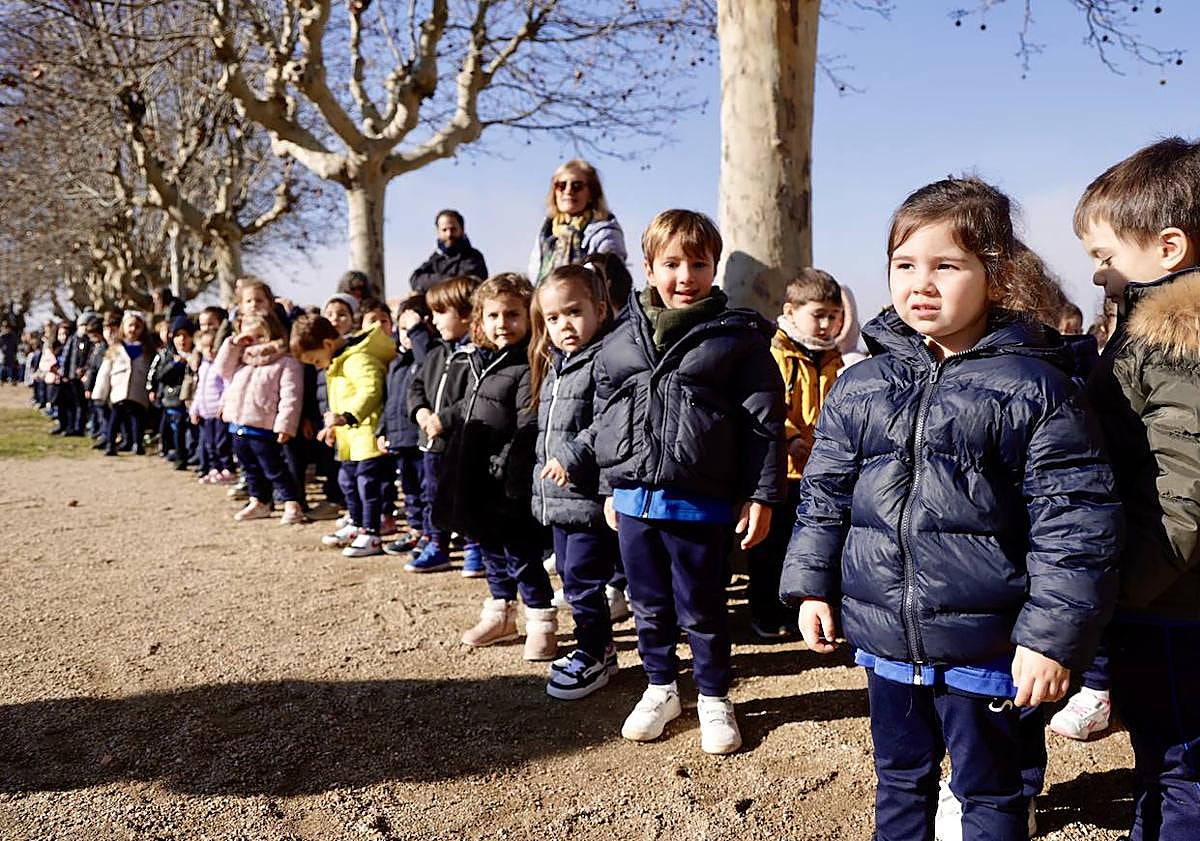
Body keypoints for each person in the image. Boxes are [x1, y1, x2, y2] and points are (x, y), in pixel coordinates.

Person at [781, 177, 1121, 841]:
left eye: (946, 265)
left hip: (988, 648)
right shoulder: (862, 384)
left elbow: (1074, 525)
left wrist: (1048, 638)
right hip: (885, 643)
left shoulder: (1036, 387)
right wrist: (810, 586)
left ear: (996, 277)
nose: (921, 283)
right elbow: (824, 495)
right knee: (900, 778)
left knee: (990, 792)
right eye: (905, 265)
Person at [593, 209, 786, 755]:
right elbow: (608, 412)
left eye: (697, 264)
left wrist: (763, 493)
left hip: (700, 500)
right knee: (647, 603)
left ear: (714, 268)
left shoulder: (736, 338)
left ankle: (713, 695)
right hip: (633, 497)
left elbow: (763, 420)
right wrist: (610, 484)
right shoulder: (622, 336)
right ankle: (660, 687)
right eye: (671, 263)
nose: (685, 276)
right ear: (649, 268)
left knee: (702, 605)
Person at [1072, 136, 1200, 841]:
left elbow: (1184, 497)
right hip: (1165, 593)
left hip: (1174, 602)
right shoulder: (1145, 332)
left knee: (1180, 759)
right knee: (1159, 753)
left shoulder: (1177, 341)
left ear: (1170, 246)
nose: (1098, 275)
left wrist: (1119, 591)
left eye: (1106, 256)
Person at [435, 273, 558, 661]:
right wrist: (444, 417)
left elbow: (527, 424)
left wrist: (511, 474)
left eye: (512, 314)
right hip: (477, 477)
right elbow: (475, 404)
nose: (502, 323)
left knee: (521, 555)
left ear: (529, 316)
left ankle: (541, 622)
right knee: (489, 548)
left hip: (508, 481)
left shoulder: (527, 364)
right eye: (493, 315)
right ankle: (501, 612)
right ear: (481, 320)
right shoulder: (482, 361)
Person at [529, 263, 619, 698]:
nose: (564, 324)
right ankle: (598, 647)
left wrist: (571, 455)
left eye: (573, 312)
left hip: (586, 495)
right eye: (553, 317)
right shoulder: (556, 364)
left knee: (582, 579)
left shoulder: (603, 360)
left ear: (599, 310)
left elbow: (606, 422)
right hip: (560, 496)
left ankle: (595, 652)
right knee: (570, 575)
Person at [747, 268, 843, 640]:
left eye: (833, 316)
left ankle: (805, 612)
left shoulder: (833, 358)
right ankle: (764, 613)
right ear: (791, 309)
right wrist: (789, 438)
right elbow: (765, 406)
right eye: (817, 314)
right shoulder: (775, 352)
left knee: (808, 548)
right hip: (779, 471)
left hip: (818, 473)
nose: (826, 324)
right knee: (769, 551)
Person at [292, 313, 397, 557]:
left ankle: (371, 531)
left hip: (367, 435)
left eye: (316, 360)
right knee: (347, 482)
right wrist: (333, 426)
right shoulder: (338, 363)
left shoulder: (357, 359)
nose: (318, 366)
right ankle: (357, 523)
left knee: (367, 485)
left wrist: (348, 416)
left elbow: (371, 390)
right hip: (349, 438)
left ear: (327, 345)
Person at [402, 275, 484, 574]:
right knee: (433, 494)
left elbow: (477, 397)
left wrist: (444, 419)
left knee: (466, 495)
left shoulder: (476, 356)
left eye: (439, 312)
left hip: (462, 444)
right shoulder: (436, 353)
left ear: (465, 314)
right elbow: (416, 387)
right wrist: (421, 412)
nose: (432, 320)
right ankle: (438, 544)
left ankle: (474, 546)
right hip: (431, 444)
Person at [214, 310, 305, 525]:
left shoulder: (285, 363)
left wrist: (286, 425)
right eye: (250, 337)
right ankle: (259, 500)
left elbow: (290, 396)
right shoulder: (242, 361)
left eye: (260, 337)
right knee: (249, 468)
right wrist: (234, 343)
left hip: (263, 426)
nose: (254, 343)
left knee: (274, 468)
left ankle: (292, 502)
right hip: (238, 425)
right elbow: (222, 369)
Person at [379, 294, 436, 553]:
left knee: (426, 490)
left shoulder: (427, 356)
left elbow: (428, 368)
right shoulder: (397, 364)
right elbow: (389, 401)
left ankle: (430, 532)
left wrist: (419, 334)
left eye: (412, 329)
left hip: (420, 437)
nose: (406, 336)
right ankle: (415, 529)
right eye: (402, 329)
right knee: (410, 490)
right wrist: (383, 430)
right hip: (400, 438)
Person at [528, 159, 627, 285]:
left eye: (576, 186)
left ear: (592, 193)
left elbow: (610, 282)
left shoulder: (606, 232)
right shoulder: (546, 232)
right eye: (561, 185)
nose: (568, 191)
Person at [93, 311, 154, 456]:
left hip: (138, 392)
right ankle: (110, 444)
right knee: (114, 420)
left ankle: (137, 444)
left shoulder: (146, 350)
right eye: (130, 325)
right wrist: (99, 393)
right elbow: (105, 372)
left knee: (137, 421)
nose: (133, 329)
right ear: (124, 327)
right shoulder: (115, 348)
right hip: (118, 392)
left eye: (137, 326)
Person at [190, 328, 236, 484]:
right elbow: (199, 390)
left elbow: (227, 386)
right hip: (206, 412)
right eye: (206, 347)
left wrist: (223, 404)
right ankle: (214, 468)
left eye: (212, 347)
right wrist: (194, 409)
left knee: (221, 442)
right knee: (209, 443)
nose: (210, 351)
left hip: (218, 411)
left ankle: (228, 468)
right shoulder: (202, 367)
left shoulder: (220, 366)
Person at [409, 210, 489, 292]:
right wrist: (449, 280)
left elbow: (465, 284)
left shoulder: (473, 257)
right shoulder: (435, 259)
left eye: (453, 229)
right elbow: (415, 279)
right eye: (444, 230)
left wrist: (434, 283)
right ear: (438, 232)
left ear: (462, 230)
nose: (449, 234)